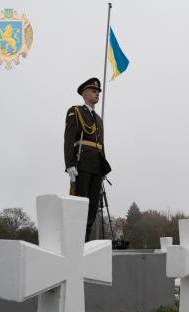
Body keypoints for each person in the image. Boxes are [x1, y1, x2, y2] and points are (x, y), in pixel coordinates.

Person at [64, 77, 111, 242]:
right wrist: (70, 165)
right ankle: (76, 240)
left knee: (93, 207)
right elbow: (69, 139)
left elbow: (101, 144)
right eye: (93, 91)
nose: (97, 93)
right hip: (82, 163)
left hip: (97, 166)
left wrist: (104, 166)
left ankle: (85, 239)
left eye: (98, 91)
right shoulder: (76, 111)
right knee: (80, 205)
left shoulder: (98, 119)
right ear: (84, 94)